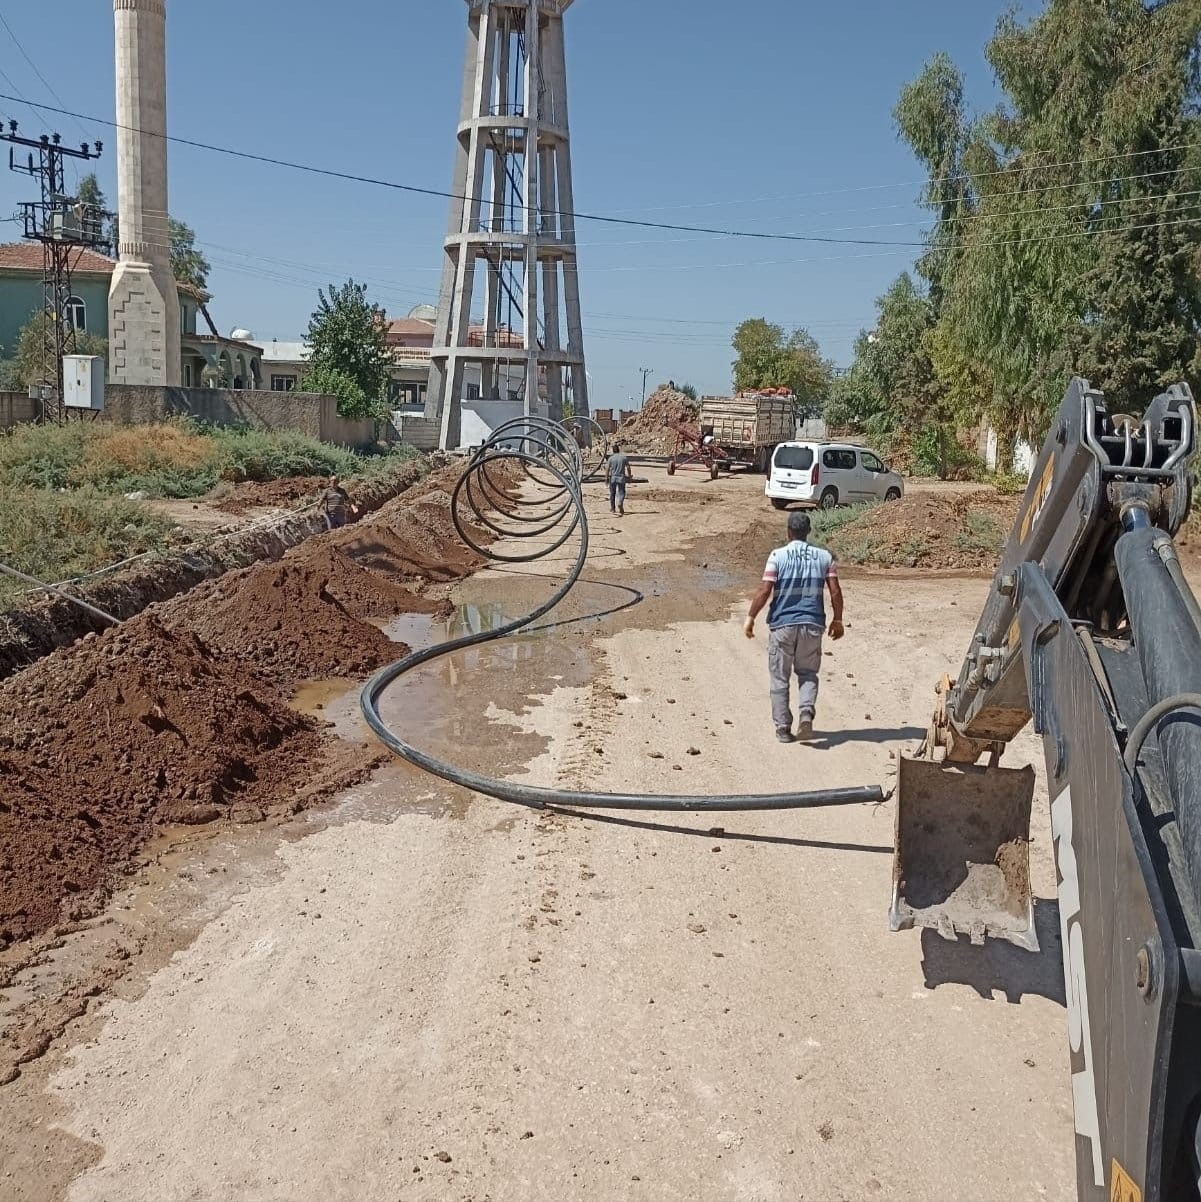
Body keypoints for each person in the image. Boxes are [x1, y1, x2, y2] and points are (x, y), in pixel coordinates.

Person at [744, 510, 844, 743]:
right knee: (808, 673)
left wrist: (751, 617)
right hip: (812, 624)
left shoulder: (777, 556)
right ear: (808, 532)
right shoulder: (824, 557)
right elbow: (836, 592)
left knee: (779, 678)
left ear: (789, 532)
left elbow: (764, 590)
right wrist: (837, 620)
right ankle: (806, 713)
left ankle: (782, 729)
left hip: (783, 626)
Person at [606, 443, 633, 516]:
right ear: (619, 450)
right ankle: (620, 503)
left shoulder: (611, 458)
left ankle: (613, 508)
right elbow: (628, 467)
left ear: (613, 451)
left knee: (612, 493)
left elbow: (607, 469)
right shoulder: (623, 457)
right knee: (622, 493)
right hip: (621, 478)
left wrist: (606, 478)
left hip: (613, 478)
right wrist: (629, 476)